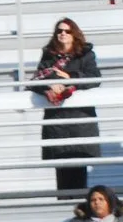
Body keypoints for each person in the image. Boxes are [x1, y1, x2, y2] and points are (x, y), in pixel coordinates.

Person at [31, 18, 100, 197]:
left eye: (67, 31)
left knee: (78, 173)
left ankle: (79, 209)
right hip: (57, 123)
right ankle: (64, 208)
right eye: (59, 31)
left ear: (74, 34)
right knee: (62, 175)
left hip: (79, 122)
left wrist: (70, 77)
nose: (63, 34)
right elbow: (35, 81)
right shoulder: (49, 55)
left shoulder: (85, 54)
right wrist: (48, 87)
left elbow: (94, 78)